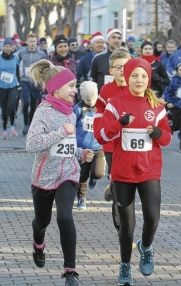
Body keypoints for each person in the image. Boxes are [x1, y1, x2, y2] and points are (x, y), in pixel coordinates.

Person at [95, 58, 172, 285]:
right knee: (127, 225)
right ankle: (125, 265)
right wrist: (119, 123)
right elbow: (101, 136)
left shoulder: (157, 106)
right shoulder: (115, 104)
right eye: (135, 75)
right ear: (127, 77)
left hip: (149, 170)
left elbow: (167, 138)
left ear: (149, 79)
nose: (140, 80)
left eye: (144, 76)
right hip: (123, 172)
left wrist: (157, 132)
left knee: (152, 217)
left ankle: (146, 246)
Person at [26, 59, 94, 285]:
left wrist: (81, 153)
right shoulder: (43, 112)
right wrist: (59, 133)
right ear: (56, 88)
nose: (76, 90)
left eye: (76, 86)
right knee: (41, 221)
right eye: (72, 86)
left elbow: (70, 145)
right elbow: (32, 144)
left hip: (68, 174)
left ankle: (70, 271)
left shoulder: (71, 112)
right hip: (44, 177)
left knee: (65, 216)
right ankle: (38, 242)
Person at [94, 47, 131, 234]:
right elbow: (99, 113)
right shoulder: (106, 90)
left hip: (132, 146)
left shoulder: (139, 87)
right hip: (111, 144)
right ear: (111, 71)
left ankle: (112, 185)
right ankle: (121, 228)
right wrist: (100, 133)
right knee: (120, 188)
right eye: (118, 67)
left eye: (126, 66)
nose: (122, 71)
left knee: (126, 183)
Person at [73, 81, 105, 209]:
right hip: (83, 148)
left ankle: (94, 177)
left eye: (92, 99)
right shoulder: (78, 109)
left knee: (98, 173)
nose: (91, 102)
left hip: (98, 146)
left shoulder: (102, 107)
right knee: (82, 175)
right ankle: (81, 197)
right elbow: (73, 125)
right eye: (87, 100)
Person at [19, 33, 46, 136]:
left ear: (36, 42)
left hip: (36, 81)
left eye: (34, 41)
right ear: (27, 42)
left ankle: (30, 125)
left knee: (34, 103)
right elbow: (17, 63)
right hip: (25, 81)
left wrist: (42, 79)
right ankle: (26, 124)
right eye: (30, 41)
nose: (32, 43)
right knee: (26, 102)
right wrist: (19, 72)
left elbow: (44, 67)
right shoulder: (21, 53)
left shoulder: (41, 54)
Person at [0, 37, 20, 139]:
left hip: (13, 86)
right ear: (3, 47)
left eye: (9, 46)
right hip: (2, 87)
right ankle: (4, 130)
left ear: (12, 47)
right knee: (4, 110)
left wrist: (19, 83)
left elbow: (17, 71)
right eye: (6, 46)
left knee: (11, 107)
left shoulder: (16, 58)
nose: (8, 48)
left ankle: (12, 126)